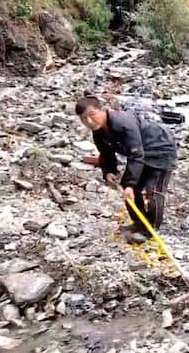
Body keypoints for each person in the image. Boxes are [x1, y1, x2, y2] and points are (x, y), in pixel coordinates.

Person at [75, 96, 178, 244]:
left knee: (152, 191)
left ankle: (151, 229)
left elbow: (135, 154)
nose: (89, 122)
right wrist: (109, 171)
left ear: (102, 110)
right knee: (131, 189)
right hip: (142, 152)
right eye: (84, 119)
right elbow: (106, 153)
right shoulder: (98, 131)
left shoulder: (123, 123)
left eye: (92, 116)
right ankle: (139, 222)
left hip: (161, 149)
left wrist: (130, 183)